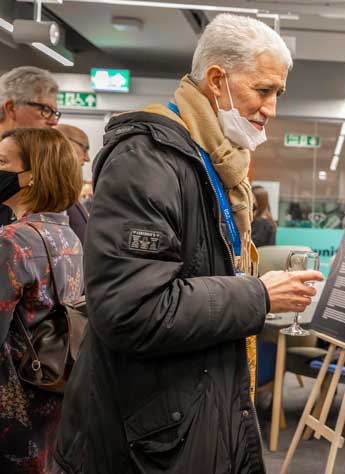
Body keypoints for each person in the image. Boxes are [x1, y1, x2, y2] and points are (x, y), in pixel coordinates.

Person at [55, 14, 323, 474]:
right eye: (263, 90)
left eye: (278, 94)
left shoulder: (213, 162)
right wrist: (259, 295)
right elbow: (131, 309)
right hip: (141, 439)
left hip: (182, 416)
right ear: (217, 81)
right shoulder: (148, 160)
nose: (271, 109)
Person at [0, 128, 83, 473]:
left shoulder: (13, 240)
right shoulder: (67, 235)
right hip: (51, 391)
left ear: (31, 176)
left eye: (3, 162)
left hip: (10, 403)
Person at [0, 66, 60, 227]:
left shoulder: (37, 159)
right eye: (45, 110)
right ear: (11, 108)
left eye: (55, 113)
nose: (53, 121)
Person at [55, 124, 90, 244]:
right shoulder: (48, 189)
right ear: (64, 141)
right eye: (84, 148)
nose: (87, 158)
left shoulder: (63, 187)